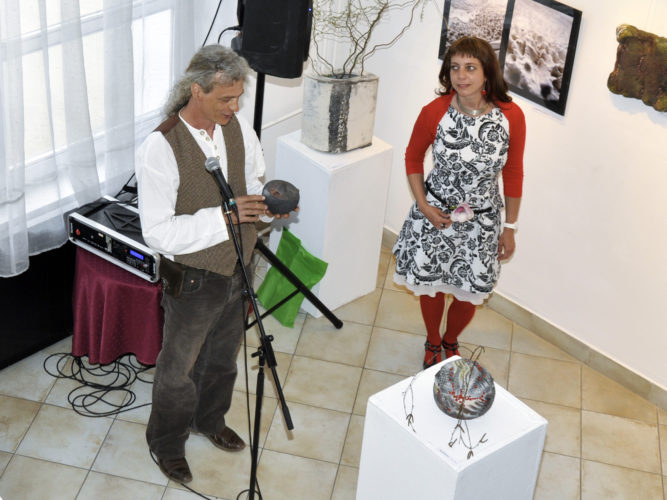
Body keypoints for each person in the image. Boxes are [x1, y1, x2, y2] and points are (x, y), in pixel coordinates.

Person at [135, 45, 291, 484]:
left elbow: (253, 180)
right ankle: (165, 441)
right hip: (192, 278)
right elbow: (159, 233)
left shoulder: (237, 126)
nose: (235, 106)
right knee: (178, 368)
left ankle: (209, 420)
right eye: (225, 98)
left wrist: (264, 206)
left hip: (239, 267)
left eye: (238, 97)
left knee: (223, 358)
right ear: (196, 90)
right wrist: (225, 216)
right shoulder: (160, 147)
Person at [393, 36, 526, 369]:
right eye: (455, 67)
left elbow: (513, 173)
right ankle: (433, 341)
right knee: (432, 284)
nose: (461, 75)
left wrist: (509, 227)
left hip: (482, 223)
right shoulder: (435, 111)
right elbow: (412, 157)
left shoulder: (511, 116)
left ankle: (451, 341)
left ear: (486, 73)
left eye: (470, 67)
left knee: (471, 288)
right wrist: (423, 205)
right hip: (436, 215)